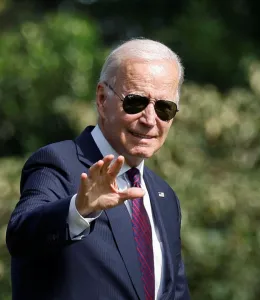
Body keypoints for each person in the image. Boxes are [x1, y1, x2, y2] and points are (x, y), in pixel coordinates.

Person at [6, 38, 190, 300]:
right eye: (136, 102)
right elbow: (21, 237)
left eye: (164, 108)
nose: (150, 120)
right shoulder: (58, 163)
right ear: (102, 99)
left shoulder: (164, 195)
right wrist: (79, 209)